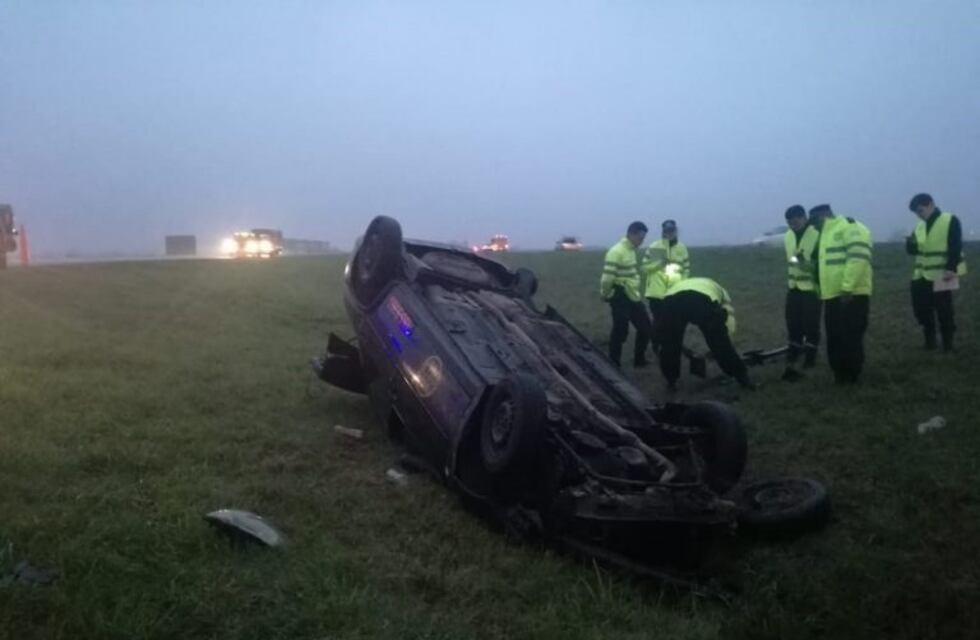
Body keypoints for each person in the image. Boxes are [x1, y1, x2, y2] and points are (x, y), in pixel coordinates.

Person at [809, 204, 873, 384]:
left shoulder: (851, 227)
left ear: (823, 216)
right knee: (835, 337)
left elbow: (858, 258)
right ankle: (839, 374)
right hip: (831, 295)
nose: (812, 226)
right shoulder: (825, 234)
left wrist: (847, 287)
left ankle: (853, 375)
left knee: (851, 336)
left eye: (814, 221)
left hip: (851, 295)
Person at [657, 277, 755, 390]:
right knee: (720, 342)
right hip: (701, 299)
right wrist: (724, 338)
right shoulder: (721, 293)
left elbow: (663, 334)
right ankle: (742, 379)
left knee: (669, 343)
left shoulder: (681, 285)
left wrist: (683, 349)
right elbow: (726, 317)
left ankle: (671, 381)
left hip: (671, 300)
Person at [905, 193, 967, 352]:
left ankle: (948, 345)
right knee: (921, 309)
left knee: (944, 311)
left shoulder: (950, 220)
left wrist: (951, 268)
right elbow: (915, 250)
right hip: (921, 275)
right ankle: (930, 341)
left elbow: (955, 246)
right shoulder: (919, 225)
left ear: (931, 204)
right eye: (916, 213)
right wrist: (909, 244)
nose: (919, 215)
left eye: (920, 210)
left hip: (944, 273)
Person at [600, 221, 652, 368]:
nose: (641, 242)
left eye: (643, 239)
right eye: (640, 238)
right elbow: (607, 278)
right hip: (619, 295)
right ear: (631, 234)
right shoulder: (616, 252)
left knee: (646, 327)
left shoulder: (631, 251)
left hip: (632, 296)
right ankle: (614, 364)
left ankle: (639, 360)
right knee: (620, 330)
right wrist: (605, 294)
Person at [782, 205, 821, 380]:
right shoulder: (788, 236)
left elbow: (821, 264)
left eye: (796, 220)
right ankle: (794, 352)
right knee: (792, 322)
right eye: (790, 222)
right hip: (794, 287)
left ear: (804, 218)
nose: (793, 224)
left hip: (811, 288)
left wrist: (803, 263)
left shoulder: (816, 234)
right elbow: (791, 259)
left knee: (811, 324)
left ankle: (810, 357)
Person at [643, 220, 690, 349]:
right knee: (659, 323)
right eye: (667, 231)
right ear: (663, 232)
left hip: (675, 293)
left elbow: (686, 268)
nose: (670, 233)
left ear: (676, 231)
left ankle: (669, 346)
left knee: (673, 323)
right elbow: (646, 267)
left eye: (672, 230)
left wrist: (683, 286)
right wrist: (660, 263)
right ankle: (656, 345)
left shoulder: (681, 248)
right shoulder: (656, 247)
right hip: (657, 293)